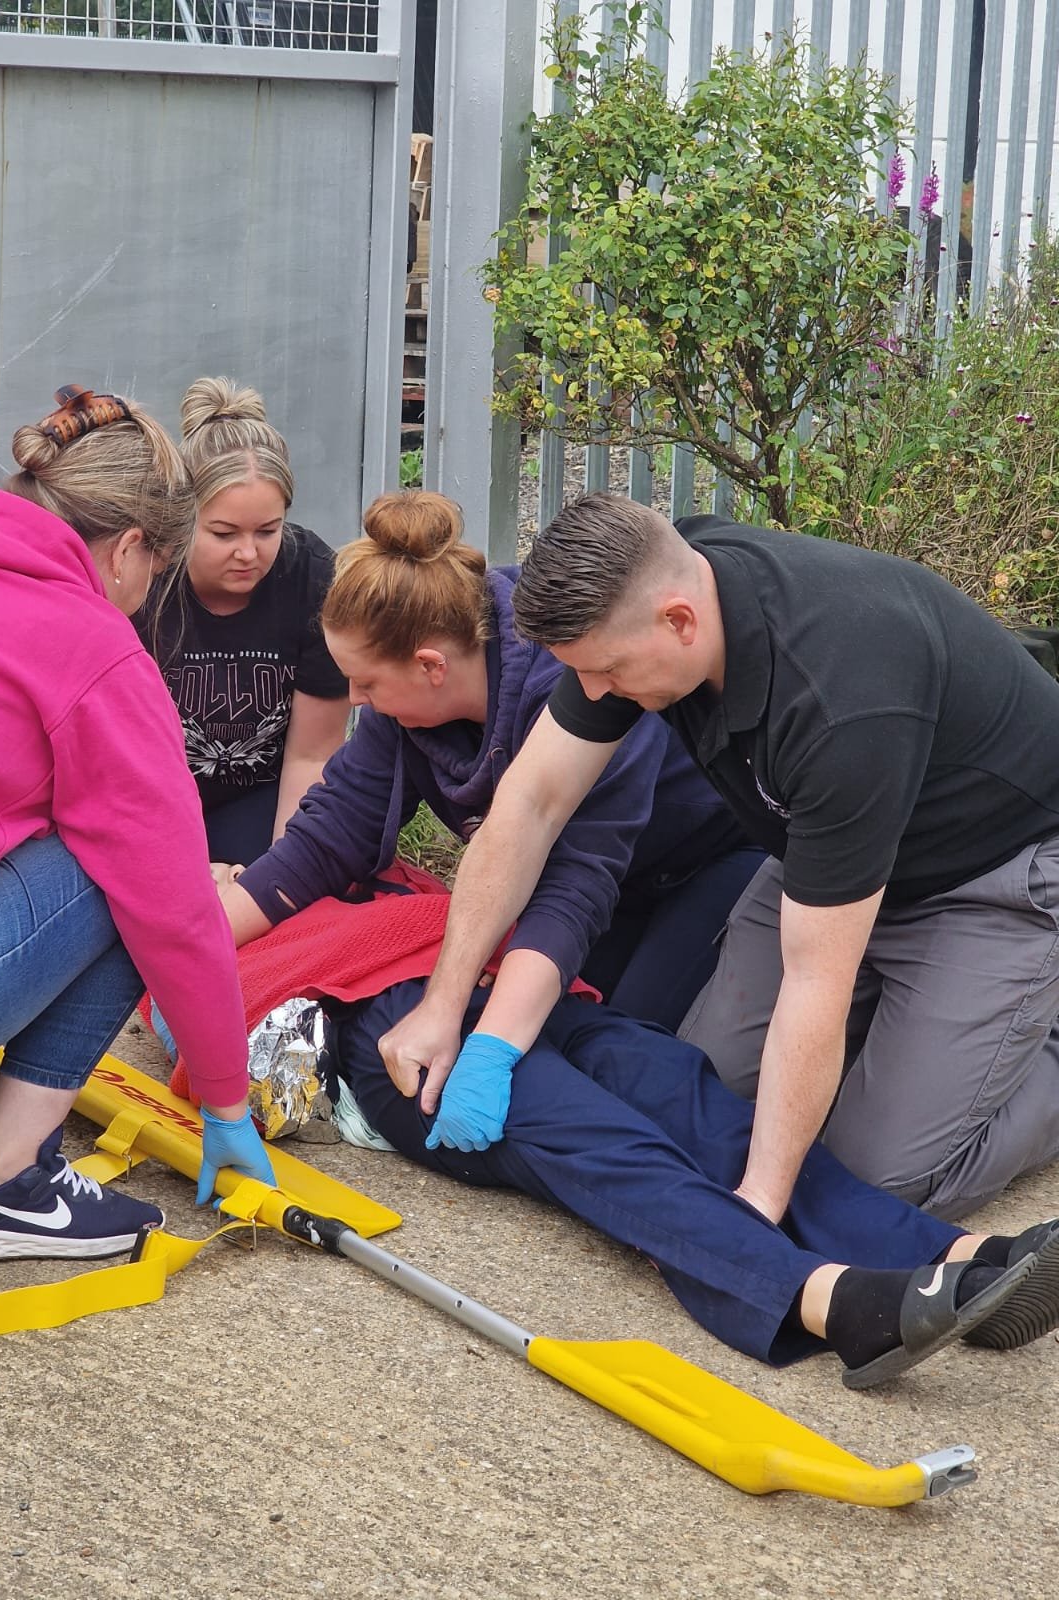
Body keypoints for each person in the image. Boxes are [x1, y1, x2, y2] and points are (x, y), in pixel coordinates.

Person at [379, 491, 1059, 1224]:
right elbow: (529, 805)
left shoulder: (841, 701)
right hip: (822, 856)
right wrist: (444, 1008)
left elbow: (815, 977)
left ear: (680, 621)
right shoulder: (651, 591)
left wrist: (759, 1204)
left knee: (872, 1183)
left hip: (990, 877)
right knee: (700, 1098)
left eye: (606, 671)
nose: (597, 693)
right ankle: (941, 1048)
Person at [195, 881, 1059, 1387]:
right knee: (602, 1142)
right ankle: (833, 1302)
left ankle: (960, 1259)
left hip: (515, 990)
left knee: (692, 1098)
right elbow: (199, 1006)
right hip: (383, 1026)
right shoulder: (201, 927)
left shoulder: (344, 862)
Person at [0, 384, 275, 1263]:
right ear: (128, 548)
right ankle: (4, 1182)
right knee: (131, 871)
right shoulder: (95, 647)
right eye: (157, 569)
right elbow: (171, 908)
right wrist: (226, 1100)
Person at [216, 490, 766, 1091]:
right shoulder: (403, 709)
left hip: (704, 858)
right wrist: (202, 939)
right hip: (609, 878)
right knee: (560, 1027)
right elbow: (327, 838)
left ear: (431, 666)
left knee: (623, 1042)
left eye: (366, 682)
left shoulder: (571, 679)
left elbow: (576, 876)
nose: (355, 700)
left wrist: (491, 1047)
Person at [138, 377, 350, 862]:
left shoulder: (313, 578)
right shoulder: (145, 580)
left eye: (268, 530)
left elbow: (312, 756)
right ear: (182, 517)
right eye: (223, 532)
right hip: (157, 800)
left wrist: (282, 876)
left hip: (265, 796)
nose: (248, 553)